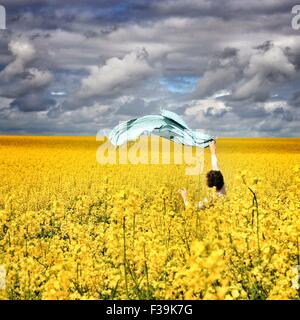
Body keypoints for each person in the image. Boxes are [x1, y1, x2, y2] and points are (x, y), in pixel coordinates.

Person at [178, 140, 226, 209]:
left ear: (211, 186)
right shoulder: (222, 187)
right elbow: (215, 166)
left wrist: (185, 197)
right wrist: (213, 150)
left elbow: (192, 208)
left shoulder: (210, 200)